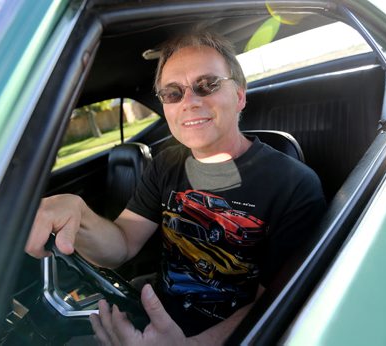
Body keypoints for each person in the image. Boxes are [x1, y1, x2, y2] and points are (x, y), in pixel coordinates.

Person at [26, 31, 326, 345]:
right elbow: (122, 245)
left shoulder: (293, 184)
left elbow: (275, 302)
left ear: (239, 96)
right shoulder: (166, 163)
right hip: (151, 317)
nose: (190, 102)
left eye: (207, 85)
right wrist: (78, 212)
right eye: (172, 93)